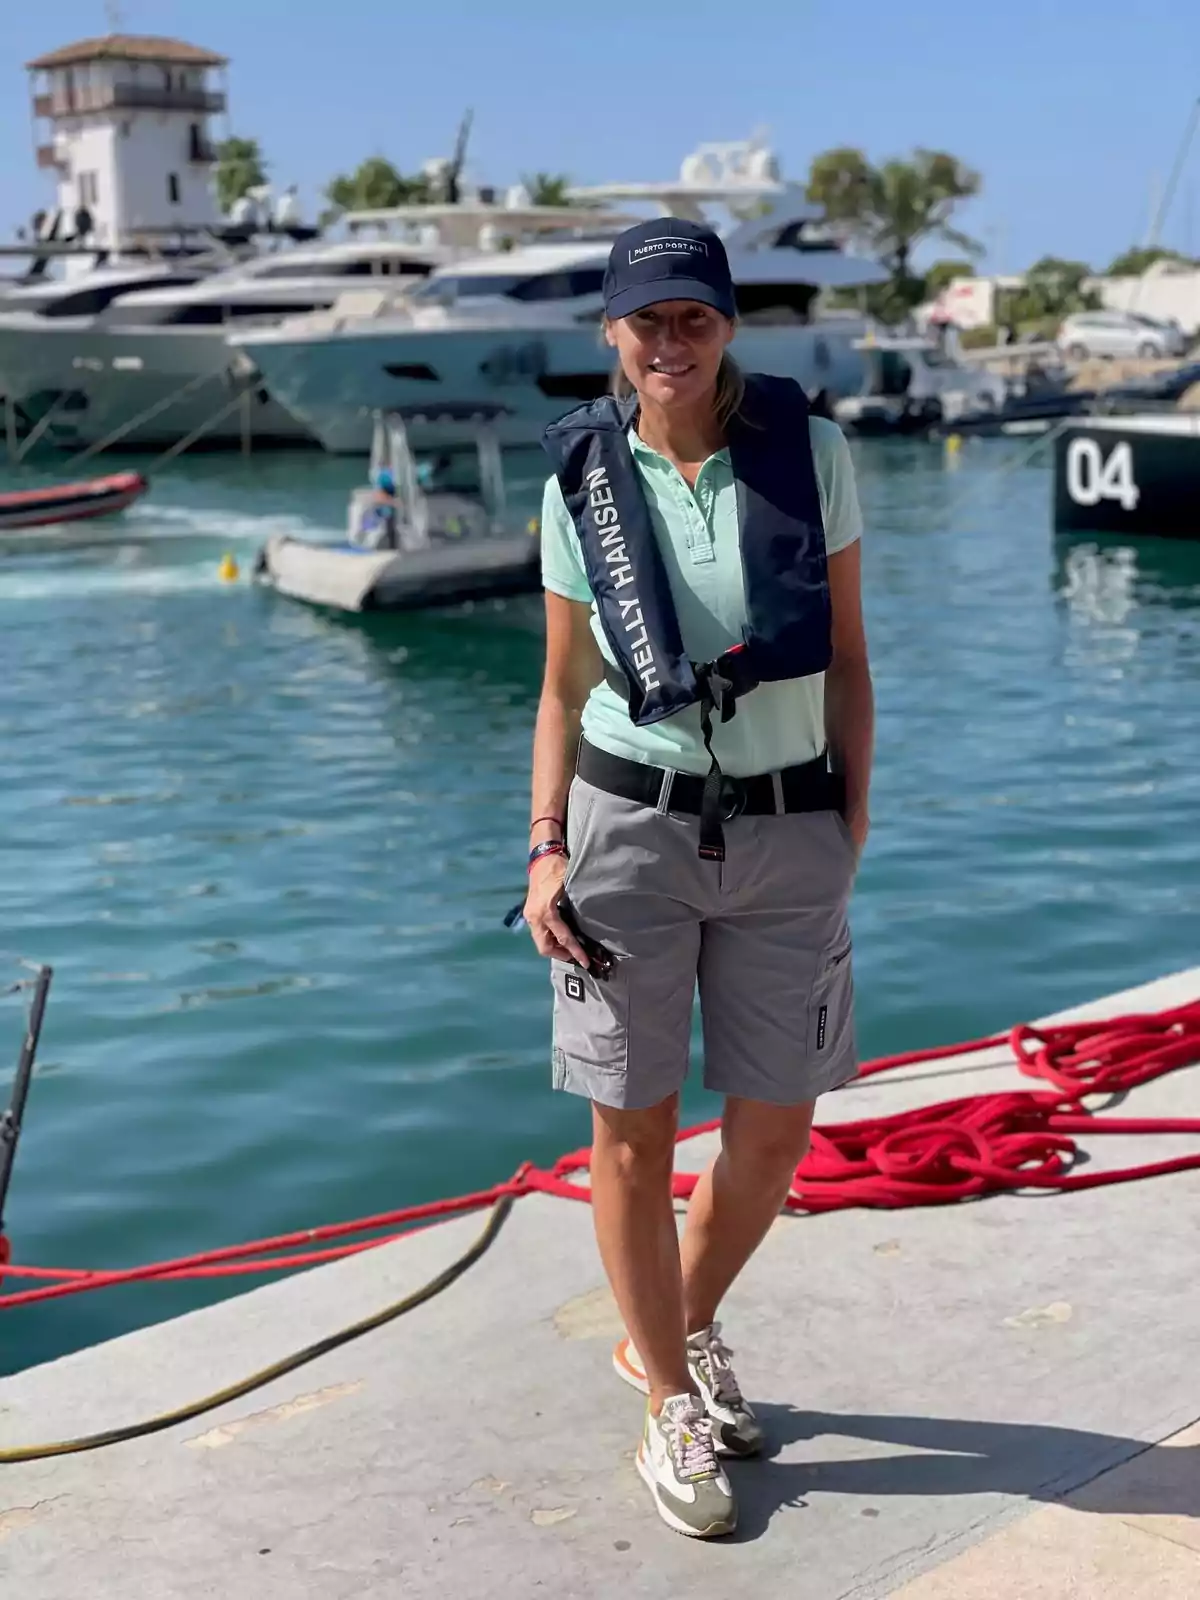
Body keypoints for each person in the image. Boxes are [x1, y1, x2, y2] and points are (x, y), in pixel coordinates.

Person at [523, 217, 873, 1538]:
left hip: (790, 832)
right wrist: (546, 843)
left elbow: (847, 658)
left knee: (777, 1125)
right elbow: (559, 686)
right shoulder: (579, 483)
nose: (670, 343)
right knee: (630, 1126)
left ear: (729, 325)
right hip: (628, 827)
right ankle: (669, 1388)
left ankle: (674, 1323)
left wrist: (852, 830)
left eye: (696, 318)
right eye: (646, 321)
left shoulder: (814, 456)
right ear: (611, 332)